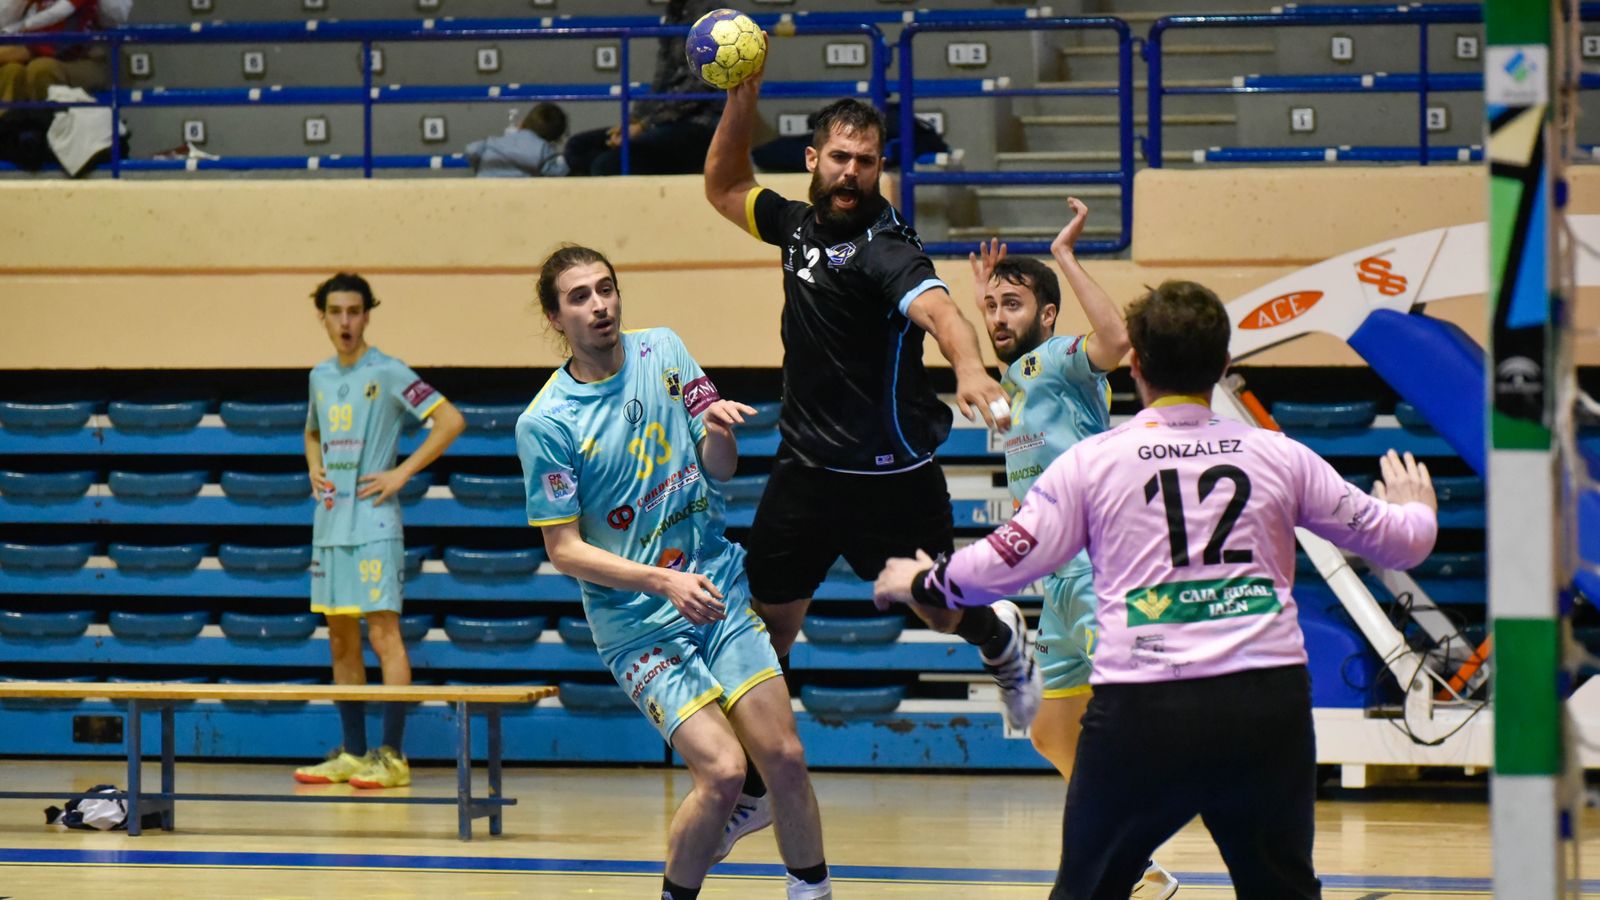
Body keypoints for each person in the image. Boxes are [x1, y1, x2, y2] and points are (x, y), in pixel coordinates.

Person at [874, 280, 1440, 900]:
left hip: (1145, 713)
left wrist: (922, 578)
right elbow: (1399, 542)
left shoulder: (1095, 462)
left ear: (1136, 366)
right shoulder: (1281, 457)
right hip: (1264, 705)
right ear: (1224, 366)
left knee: (1087, 890)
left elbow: (1004, 560)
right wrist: (1417, 512)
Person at [704, 42, 1037, 854]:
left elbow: (941, 310)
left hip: (892, 481)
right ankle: (750, 789)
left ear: (882, 166)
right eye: (840, 159)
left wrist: (967, 363)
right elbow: (723, 186)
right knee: (765, 637)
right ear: (815, 161)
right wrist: (740, 97)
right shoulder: (793, 226)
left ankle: (999, 635)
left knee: (937, 608)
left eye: (867, 161)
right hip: (805, 475)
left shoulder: (887, 246)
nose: (853, 172)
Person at [515, 245, 832, 900]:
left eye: (606, 289)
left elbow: (719, 470)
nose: (600, 305)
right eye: (580, 296)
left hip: (714, 584)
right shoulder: (546, 422)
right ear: (555, 317)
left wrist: (718, 432)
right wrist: (663, 582)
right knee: (720, 775)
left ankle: (813, 891)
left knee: (785, 758)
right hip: (637, 622)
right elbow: (564, 551)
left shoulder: (664, 350)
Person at [969, 200, 1176, 900]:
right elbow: (987, 389)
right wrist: (980, 306)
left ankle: (1176, 798)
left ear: (1048, 316)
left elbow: (1116, 343)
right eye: (991, 306)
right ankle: (1138, 860)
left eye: (1013, 305)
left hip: (1095, 563)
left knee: (1129, 708)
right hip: (1052, 579)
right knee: (1053, 730)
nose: (998, 316)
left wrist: (1064, 258)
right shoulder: (1013, 381)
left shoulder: (1058, 360)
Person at [293, 273, 466, 790]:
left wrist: (401, 473)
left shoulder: (388, 372)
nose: (345, 321)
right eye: (335, 312)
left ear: (367, 314)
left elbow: (451, 421)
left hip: (374, 523)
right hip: (329, 524)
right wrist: (313, 467)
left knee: (383, 633)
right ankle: (353, 752)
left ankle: (392, 756)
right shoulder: (319, 376)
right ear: (322, 317)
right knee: (340, 638)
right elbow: (312, 431)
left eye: (354, 311)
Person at [563, 0, 721, 176]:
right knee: (579, 147)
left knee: (607, 164)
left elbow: (698, 88)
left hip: (699, 123)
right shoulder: (674, 11)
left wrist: (645, 125)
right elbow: (662, 78)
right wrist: (632, 120)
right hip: (665, 120)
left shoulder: (708, 12)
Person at [0, 0, 108, 114]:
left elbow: (59, 42)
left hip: (81, 60)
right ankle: (8, 125)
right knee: (11, 70)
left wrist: (21, 33)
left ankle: (48, 125)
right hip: (41, 53)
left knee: (41, 68)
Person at [464, 102, 570, 178]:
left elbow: (471, 150)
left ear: (522, 123)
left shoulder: (494, 142)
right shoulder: (543, 149)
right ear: (554, 138)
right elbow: (559, 172)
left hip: (483, 191)